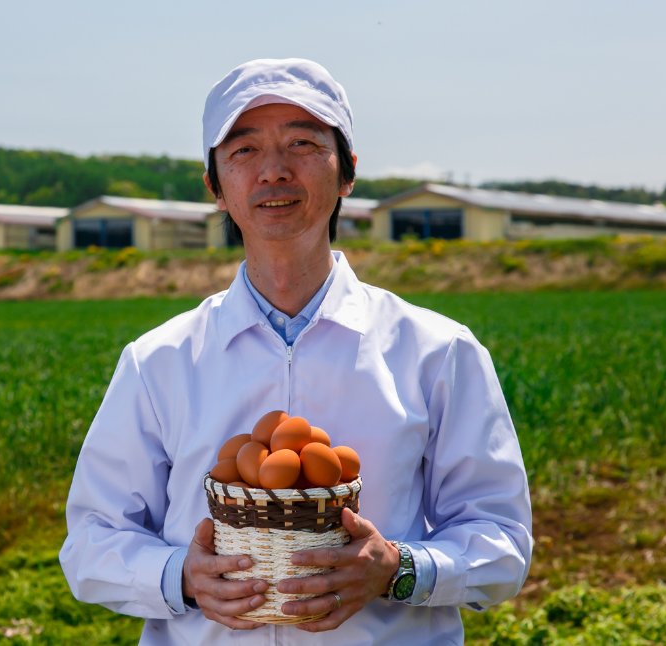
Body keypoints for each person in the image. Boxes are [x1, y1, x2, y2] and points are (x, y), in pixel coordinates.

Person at [60, 58, 533, 645]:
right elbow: (90, 542)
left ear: (347, 173)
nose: (274, 171)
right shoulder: (160, 362)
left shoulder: (438, 353)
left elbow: (503, 540)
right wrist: (180, 575)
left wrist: (399, 571)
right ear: (215, 187)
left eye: (303, 144)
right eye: (244, 151)